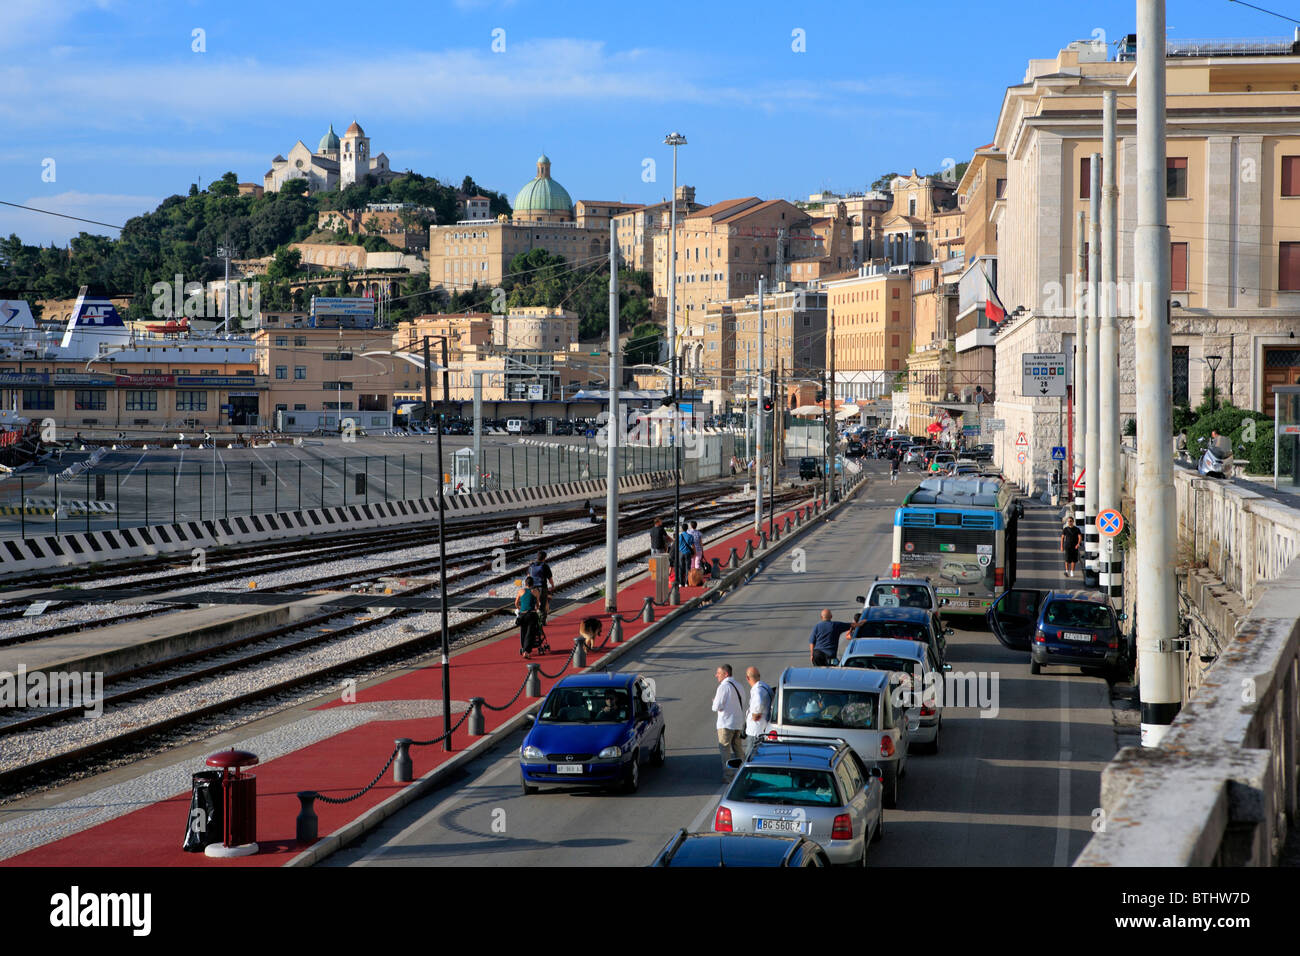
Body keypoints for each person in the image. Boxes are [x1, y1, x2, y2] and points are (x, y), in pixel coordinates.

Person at [711, 664, 747, 779]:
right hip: (738, 722)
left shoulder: (723, 687)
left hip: (726, 723)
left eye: (718, 673)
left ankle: (729, 775)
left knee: (725, 749)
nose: (716, 675)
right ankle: (743, 773)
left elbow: (716, 707)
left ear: (726, 674)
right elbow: (743, 700)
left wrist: (714, 702)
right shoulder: (739, 685)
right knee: (738, 748)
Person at [745, 667, 772, 749]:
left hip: (755, 730)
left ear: (747, 678)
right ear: (759, 676)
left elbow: (758, 704)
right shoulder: (765, 686)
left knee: (750, 754)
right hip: (762, 728)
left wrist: (756, 714)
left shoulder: (757, 690)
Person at [515, 575, 542, 658]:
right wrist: (536, 609)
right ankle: (526, 651)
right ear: (533, 584)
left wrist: (520, 608)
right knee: (530, 633)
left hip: (523, 615)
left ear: (525, 584)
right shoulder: (536, 591)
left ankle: (524, 648)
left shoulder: (520, 591)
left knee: (523, 631)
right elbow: (537, 604)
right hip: (531, 614)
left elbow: (516, 603)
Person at [528, 550, 554, 624]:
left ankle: (532, 620)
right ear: (544, 558)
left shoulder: (531, 566)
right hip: (542, 587)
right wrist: (552, 585)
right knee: (542, 604)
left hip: (533, 588)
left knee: (533, 604)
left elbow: (528, 577)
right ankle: (542, 621)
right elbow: (550, 578)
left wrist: (528, 587)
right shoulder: (545, 566)